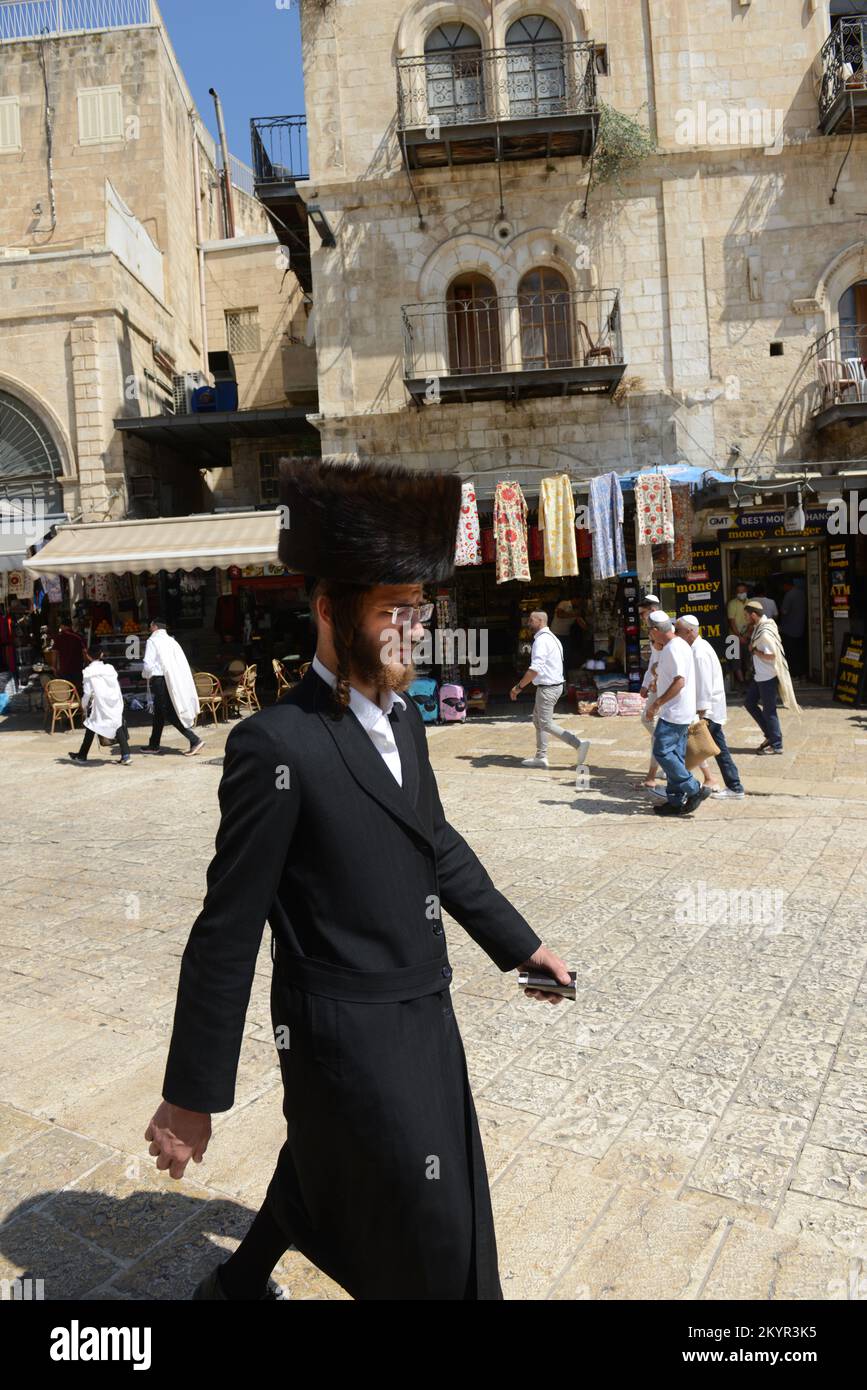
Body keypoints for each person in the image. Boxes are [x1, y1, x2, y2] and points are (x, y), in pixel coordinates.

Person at [146, 458, 573, 1303]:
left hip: (424, 1009)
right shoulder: (275, 746)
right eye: (391, 612)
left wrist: (521, 946)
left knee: (323, 1166)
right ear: (329, 611)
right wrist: (191, 1096)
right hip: (342, 1035)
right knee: (436, 1234)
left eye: (419, 611)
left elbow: (436, 844)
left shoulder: (407, 721)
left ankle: (235, 1285)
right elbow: (228, 927)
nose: (413, 630)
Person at [645, 610, 711, 816]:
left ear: (656, 630)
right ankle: (674, 801)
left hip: (674, 712)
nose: (649, 635)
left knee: (662, 751)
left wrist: (656, 704)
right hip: (681, 710)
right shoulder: (679, 645)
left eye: (649, 631)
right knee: (675, 756)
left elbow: (679, 681)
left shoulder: (673, 649)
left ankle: (693, 789)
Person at [675, 616, 744, 800]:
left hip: (708, 712)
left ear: (690, 631)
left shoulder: (699, 652)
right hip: (709, 711)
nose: (676, 635)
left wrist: (701, 713)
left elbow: (704, 684)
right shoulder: (698, 647)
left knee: (684, 749)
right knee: (719, 750)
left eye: (679, 631)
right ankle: (734, 786)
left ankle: (682, 788)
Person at [511, 610, 590, 770]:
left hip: (548, 689)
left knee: (545, 723)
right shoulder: (552, 638)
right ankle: (541, 756)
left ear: (540, 621)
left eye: (531, 620)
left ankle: (578, 744)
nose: (528, 623)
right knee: (538, 721)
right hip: (553, 686)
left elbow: (535, 669)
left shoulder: (541, 641)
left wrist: (518, 687)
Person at [743, 598, 800, 754]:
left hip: (767, 676)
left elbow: (772, 655)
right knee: (749, 703)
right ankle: (770, 735)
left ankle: (776, 744)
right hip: (759, 675)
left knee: (769, 710)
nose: (745, 618)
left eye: (746, 615)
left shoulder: (765, 632)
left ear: (754, 615)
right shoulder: (760, 626)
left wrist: (755, 651)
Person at [141, 620, 204, 755]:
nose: (149, 628)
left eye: (151, 625)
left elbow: (148, 664)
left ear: (155, 627)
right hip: (172, 680)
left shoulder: (152, 641)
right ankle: (154, 744)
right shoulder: (172, 641)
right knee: (159, 713)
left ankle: (194, 740)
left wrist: (146, 675)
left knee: (167, 712)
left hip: (159, 680)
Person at [68, 649, 132, 766]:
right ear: (101, 654)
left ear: (87, 656)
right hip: (114, 700)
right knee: (116, 724)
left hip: (99, 703)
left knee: (92, 725)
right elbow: (116, 685)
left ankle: (82, 755)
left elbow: (87, 692)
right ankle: (126, 755)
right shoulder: (109, 668)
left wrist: (83, 705)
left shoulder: (88, 671)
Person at [638, 594, 661, 788]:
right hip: (656, 683)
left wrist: (654, 678)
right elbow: (653, 660)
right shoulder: (653, 630)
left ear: (652, 611)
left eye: (643, 613)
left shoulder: (663, 630)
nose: (641, 617)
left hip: (665, 684)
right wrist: (646, 682)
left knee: (652, 722)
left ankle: (654, 771)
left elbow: (661, 661)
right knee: (648, 720)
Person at [778, 578, 807, 678]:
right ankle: (801, 672)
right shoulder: (802, 593)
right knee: (799, 652)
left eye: (783, 586)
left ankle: (792, 673)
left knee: (790, 652)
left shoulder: (789, 595)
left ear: (787, 585)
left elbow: (784, 611)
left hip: (789, 629)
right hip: (801, 628)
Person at [54, 620, 88, 695]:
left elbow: (55, 654)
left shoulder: (58, 638)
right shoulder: (78, 637)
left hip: (64, 669)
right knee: (78, 690)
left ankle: (70, 705)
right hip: (77, 668)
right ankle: (79, 705)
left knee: (68, 691)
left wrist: (54, 667)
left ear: (63, 626)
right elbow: (84, 652)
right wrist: (86, 664)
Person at [726, 581, 750, 684]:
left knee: (749, 660)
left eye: (743, 591)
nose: (741, 593)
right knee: (736, 661)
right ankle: (742, 683)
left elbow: (752, 621)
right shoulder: (732, 604)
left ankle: (749, 682)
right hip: (734, 637)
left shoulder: (751, 603)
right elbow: (732, 622)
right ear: (736, 593)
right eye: (739, 592)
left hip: (748, 635)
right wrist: (739, 636)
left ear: (746, 591)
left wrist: (746, 634)